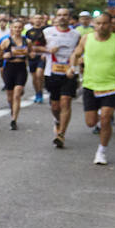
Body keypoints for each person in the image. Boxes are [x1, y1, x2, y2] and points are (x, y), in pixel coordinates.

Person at [70, 12, 115, 165]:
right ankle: (98, 116)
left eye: (105, 23)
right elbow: (76, 54)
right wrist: (72, 67)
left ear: (111, 24)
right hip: (90, 85)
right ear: (93, 24)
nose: (101, 26)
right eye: (98, 23)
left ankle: (101, 151)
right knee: (91, 123)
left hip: (110, 85)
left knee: (105, 120)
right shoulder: (86, 38)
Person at [41, 8, 81, 148]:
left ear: (70, 18)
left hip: (68, 73)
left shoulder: (76, 35)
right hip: (51, 73)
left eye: (65, 15)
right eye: (59, 15)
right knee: (55, 105)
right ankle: (57, 120)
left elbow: (79, 53)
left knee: (66, 101)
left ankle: (61, 135)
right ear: (55, 17)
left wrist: (74, 67)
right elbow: (33, 48)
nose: (62, 17)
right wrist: (47, 50)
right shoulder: (47, 32)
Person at [0, 17, 29, 130]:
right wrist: (3, 56)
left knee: (17, 94)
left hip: (21, 68)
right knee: (10, 97)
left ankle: (14, 119)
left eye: (20, 27)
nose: (17, 29)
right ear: (11, 28)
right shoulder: (7, 41)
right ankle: (12, 110)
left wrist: (30, 54)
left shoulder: (27, 41)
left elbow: (32, 53)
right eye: (15, 27)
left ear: (23, 28)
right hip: (9, 69)